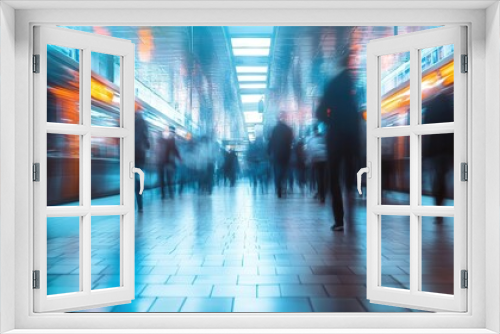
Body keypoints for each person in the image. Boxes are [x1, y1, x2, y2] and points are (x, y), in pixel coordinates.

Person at [316, 52, 361, 231]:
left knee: (334, 177)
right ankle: (351, 208)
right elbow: (357, 116)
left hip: (336, 138)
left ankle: (339, 220)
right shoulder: (353, 86)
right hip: (351, 139)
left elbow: (319, 112)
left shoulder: (331, 85)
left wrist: (331, 121)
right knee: (349, 177)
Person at [422, 92, 454, 222]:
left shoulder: (430, 108)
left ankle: (438, 208)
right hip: (447, 150)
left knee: (437, 177)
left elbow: (425, 132)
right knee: (443, 178)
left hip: (434, 151)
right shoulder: (450, 108)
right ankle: (440, 207)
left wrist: (425, 153)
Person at [268, 112, 294, 198]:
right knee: (284, 170)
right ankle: (283, 184)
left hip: (277, 154)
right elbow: (291, 142)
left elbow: (271, 141)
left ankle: (278, 186)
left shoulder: (275, 129)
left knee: (277, 171)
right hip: (286, 154)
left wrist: (269, 152)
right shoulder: (289, 129)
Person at [306, 124, 328, 203]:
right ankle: (323, 194)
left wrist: (309, 161)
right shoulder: (324, 138)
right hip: (325, 160)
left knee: (319, 177)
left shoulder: (311, 140)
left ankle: (321, 194)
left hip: (316, 160)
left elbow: (309, 152)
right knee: (324, 177)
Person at [159, 125, 181, 199]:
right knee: (168, 178)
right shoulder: (171, 140)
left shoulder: (163, 138)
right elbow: (175, 150)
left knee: (164, 178)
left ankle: (164, 194)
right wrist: (179, 158)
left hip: (163, 162)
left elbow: (175, 150)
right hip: (168, 162)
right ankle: (169, 193)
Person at [135, 102, 150, 212]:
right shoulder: (143, 122)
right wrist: (147, 146)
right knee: (138, 179)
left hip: (128, 154)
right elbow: (146, 139)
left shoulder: (126, 120)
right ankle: (140, 205)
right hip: (140, 154)